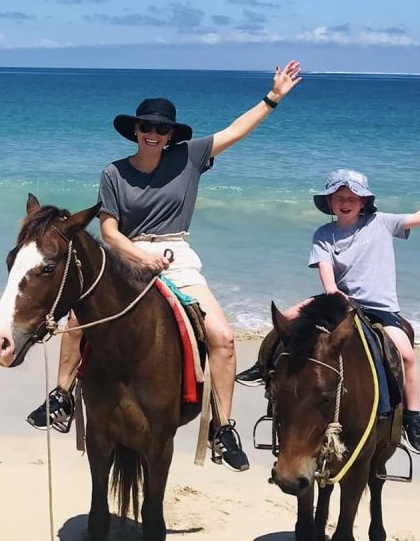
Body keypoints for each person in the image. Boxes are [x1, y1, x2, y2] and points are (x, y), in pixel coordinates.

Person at [27, 62, 303, 472]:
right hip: (124, 256)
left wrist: (273, 97)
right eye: (145, 127)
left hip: (177, 256)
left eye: (160, 129)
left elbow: (236, 131)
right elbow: (109, 230)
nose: (153, 134)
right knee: (76, 321)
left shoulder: (189, 158)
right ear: (135, 131)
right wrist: (141, 257)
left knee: (223, 338)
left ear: (171, 134)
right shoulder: (114, 173)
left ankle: (223, 428)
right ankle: (61, 396)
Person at [236, 169, 420, 452]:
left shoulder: (381, 222)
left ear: (363, 202)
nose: (345, 201)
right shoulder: (324, 234)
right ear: (330, 202)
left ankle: (412, 416)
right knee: (285, 319)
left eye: (352, 197)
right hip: (338, 300)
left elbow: (416, 218)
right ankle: (265, 368)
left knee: (407, 354)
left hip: (378, 307)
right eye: (339, 197)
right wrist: (333, 293)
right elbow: (326, 272)